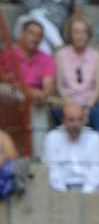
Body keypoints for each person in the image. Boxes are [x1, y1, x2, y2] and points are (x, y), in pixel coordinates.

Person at [54, 16, 99, 156]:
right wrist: (72, 107)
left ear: (89, 35)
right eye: (76, 32)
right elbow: (60, 86)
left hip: (89, 102)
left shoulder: (97, 56)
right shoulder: (61, 54)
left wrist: (86, 108)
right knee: (57, 112)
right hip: (67, 102)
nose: (80, 36)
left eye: (83, 32)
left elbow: (98, 86)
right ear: (70, 35)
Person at [13, 20, 55, 159]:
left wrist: (44, 94)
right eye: (31, 33)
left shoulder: (45, 58)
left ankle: (38, 157)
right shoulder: (8, 55)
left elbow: (48, 84)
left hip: (34, 101)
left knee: (40, 103)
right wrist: (28, 92)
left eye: (39, 35)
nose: (35, 38)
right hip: (11, 99)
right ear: (22, 34)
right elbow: (6, 80)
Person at [43, 103, 99, 193]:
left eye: (79, 120)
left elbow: (97, 169)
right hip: (59, 188)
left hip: (90, 189)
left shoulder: (94, 137)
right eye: (71, 120)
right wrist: (64, 194)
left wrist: (86, 193)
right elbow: (51, 169)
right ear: (63, 121)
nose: (76, 124)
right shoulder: (52, 137)